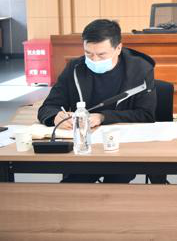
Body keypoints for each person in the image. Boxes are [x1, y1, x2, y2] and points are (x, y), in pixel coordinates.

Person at [38, 19, 156, 183]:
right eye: (88, 53)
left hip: (121, 149)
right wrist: (55, 116)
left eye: (101, 55)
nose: (94, 60)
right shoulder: (75, 68)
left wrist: (103, 117)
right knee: (73, 186)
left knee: (115, 186)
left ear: (118, 48)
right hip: (83, 148)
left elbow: (146, 115)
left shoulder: (140, 70)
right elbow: (48, 107)